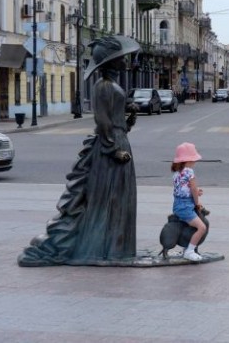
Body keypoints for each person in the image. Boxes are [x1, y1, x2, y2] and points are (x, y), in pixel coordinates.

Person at [18, 35, 140, 266]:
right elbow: (102, 121)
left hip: (119, 142)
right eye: (120, 57)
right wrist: (114, 150)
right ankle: (102, 248)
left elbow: (116, 121)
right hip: (110, 149)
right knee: (108, 199)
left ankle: (117, 249)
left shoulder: (113, 85)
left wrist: (129, 115)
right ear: (110, 62)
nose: (125, 60)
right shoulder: (103, 86)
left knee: (120, 199)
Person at [171, 142, 208, 262]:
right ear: (188, 160)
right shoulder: (189, 172)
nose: (195, 162)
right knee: (202, 227)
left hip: (178, 205)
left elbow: (183, 189)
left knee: (192, 227)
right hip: (186, 206)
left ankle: (187, 247)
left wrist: (196, 191)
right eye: (194, 159)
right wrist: (197, 202)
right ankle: (190, 251)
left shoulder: (177, 173)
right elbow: (192, 188)